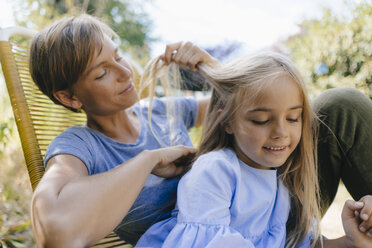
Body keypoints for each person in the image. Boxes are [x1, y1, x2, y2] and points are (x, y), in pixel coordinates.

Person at [28, 14, 372, 248]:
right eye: (102, 72)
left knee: (342, 106)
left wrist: (211, 67)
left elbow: (256, 112)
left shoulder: (161, 110)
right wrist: (149, 160)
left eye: (118, 56)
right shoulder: (79, 145)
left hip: (266, 212)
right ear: (69, 97)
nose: (124, 72)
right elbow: (54, 229)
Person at [135, 52, 372, 248]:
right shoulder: (215, 171)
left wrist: (350, 241)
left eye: (293, 118)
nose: (281, 132)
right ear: (227, 122)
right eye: (261, 120)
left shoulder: (283, 179)